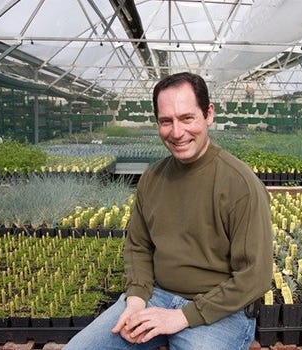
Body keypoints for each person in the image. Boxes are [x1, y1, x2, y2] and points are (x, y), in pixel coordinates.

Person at [64, 72, 273, 349]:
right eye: (166, 121)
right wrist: (136, 300)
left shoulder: (240, 184)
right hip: (156, 297)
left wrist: (183, 316)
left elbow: (254, 275)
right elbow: (138, 246)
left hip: (219, 310)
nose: (177, 132)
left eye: (187, 118)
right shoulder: (153, 178)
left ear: (208, 114)